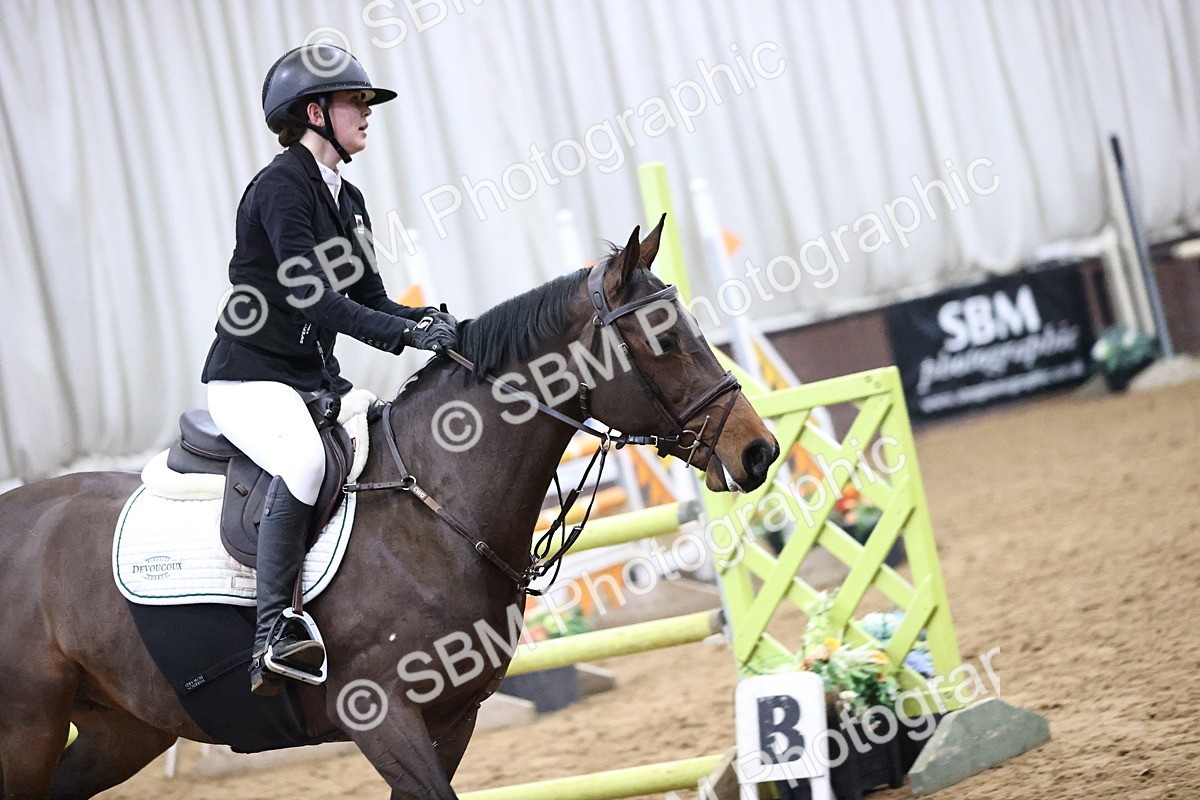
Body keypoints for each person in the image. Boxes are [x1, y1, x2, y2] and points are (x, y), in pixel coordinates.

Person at [200, 44, 457, 696]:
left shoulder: (352, 199)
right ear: (314, 111)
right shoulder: (280, 187)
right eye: (355, 101)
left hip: (311, 383)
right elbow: (314, 296)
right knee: (307, 464)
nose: (367, 113)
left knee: (386, 439)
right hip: (250, 378)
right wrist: (404, 335)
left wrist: (431, 323)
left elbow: (367, 298)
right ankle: (272, 631)